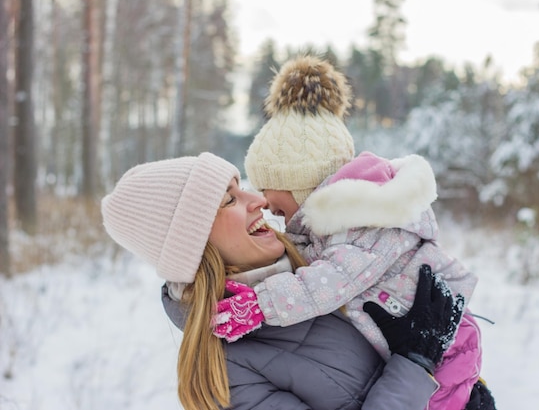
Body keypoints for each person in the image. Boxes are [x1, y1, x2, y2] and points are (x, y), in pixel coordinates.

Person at [216, 55, 496, 410]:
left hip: (447, 343)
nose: (263, 200)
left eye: (269, 185)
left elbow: (329, 281)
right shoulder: (340, 228)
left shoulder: (362, 228)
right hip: (422, 345)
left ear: (300, 184)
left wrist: (260, 304)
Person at [100, 152, 466, 410]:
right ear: (194, 243)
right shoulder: (227, 375)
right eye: (229, 199)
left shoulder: (323, 260)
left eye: (240, 186)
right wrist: (416, 363)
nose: (257, 199)